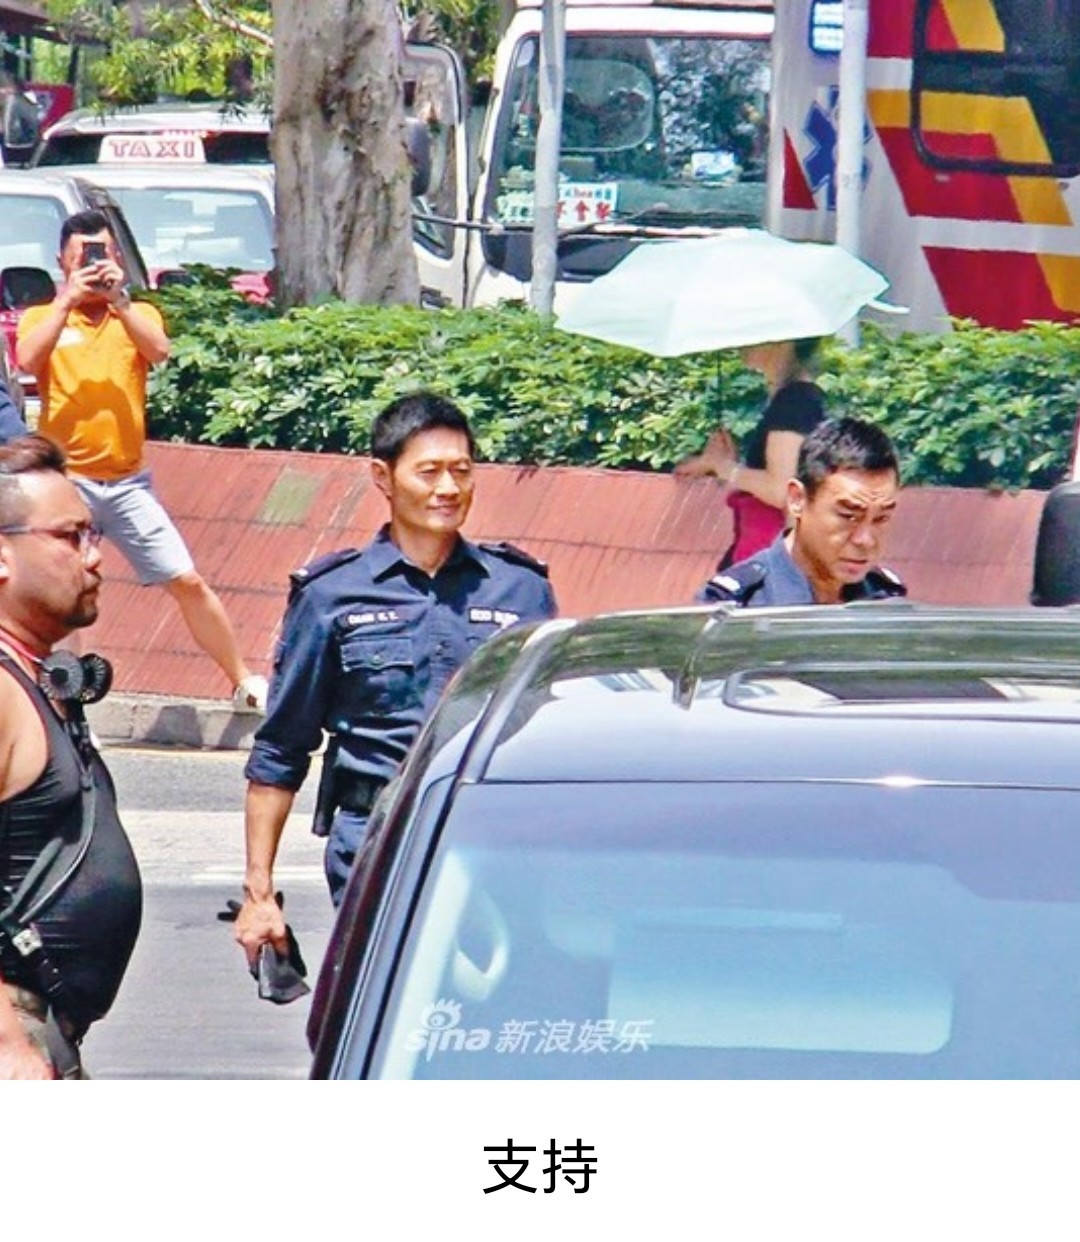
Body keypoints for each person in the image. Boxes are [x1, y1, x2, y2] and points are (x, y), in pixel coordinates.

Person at [234, 391, 557, 966]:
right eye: (428, 472)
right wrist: (259, 894)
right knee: (389, 995)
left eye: (462, 471)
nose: (448, 488)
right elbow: (282, 748)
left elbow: (550, 736)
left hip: (493, 838)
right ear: (383, 477)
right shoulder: (332, 596)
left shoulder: (521, 591)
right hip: (376, 838)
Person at [15, 209, 268, 712]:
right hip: (69, 482)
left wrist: (120, 301)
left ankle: (242, 680)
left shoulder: (137, 314)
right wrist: (68, 299)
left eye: (103, 254)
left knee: (185, 579)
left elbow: (159, 351)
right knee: (66, 587)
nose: (94, 264)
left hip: (127, 482)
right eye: (83, 256)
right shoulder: (44, 316)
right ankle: (64, 696)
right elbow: (27, 360)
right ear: (62, 261)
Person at [0, 434, 141, 1078]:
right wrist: (8, 1042)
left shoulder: (35, 677)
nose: (94, 556)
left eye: (93, 534)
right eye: (69, 536)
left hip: (46, 1034)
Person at [696, 415, 905, 607]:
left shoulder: (885, 599)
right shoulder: (736, 608)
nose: (865, 540)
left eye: (881, 518)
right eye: (848, 516)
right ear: (797, 499)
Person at [676, 337, 827, 568]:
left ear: (783, 341)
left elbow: (781, 489)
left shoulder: (794, 401)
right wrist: (719, 463)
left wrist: (725, 467)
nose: (741, 342)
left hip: (771, 562)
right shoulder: (791, 398)